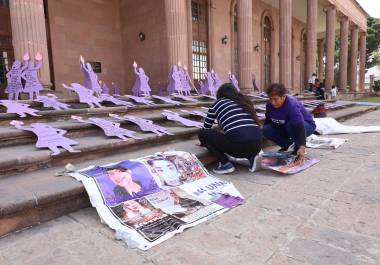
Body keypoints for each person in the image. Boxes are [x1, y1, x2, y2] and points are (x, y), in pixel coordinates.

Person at [198, 83, 262, 174]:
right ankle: (252, 158)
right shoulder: (244, 102)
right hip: (258, 145)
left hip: (239, 147)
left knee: (202, 133)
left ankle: (225, 164)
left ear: (220, 94)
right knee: (240, 135)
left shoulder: (217, 103)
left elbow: (206, 128)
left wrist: (203, 143)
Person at [262, 83, 316, 163]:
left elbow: (299, 126)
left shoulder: (291, 105)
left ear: (283, 97)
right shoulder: (269, 105)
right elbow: (268, 121)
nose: (273, 102)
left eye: (275, 99)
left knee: (290, 125)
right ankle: (287, 145)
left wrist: (302, 146)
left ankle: (297, 147)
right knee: (265, 129)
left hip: (305, 125)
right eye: (271, 99)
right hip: (285, 126)